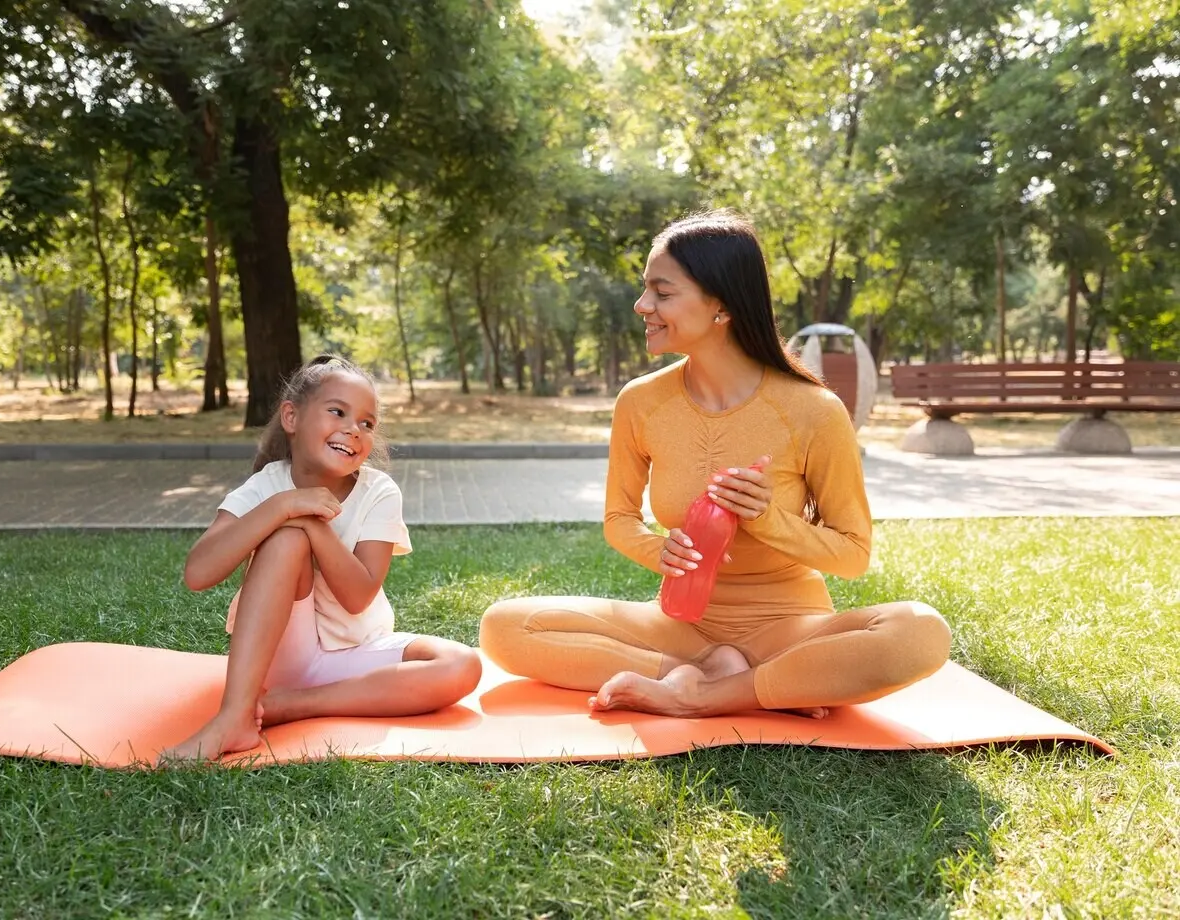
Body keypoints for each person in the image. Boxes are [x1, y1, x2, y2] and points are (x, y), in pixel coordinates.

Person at [479, 210, 950, 720]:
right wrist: (659, 550)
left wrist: (768, 520)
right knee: (504, 626)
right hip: (681, 627)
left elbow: (853, 555)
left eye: (662, 293)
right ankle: (732, 677)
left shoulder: (813, 410)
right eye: (645, 291)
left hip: (787, 626)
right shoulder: (640, 402)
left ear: (721, 305)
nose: (643, 306)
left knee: (919, 632)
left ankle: (703, 694)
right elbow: (618, 519)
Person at [161, 355, 481, 763]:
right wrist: (283, 508)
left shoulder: (379, 491)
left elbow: (358, 596)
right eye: (337, 412)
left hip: (354, 656)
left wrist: (314, 525)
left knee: (462, 664)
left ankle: (288, 707)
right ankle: (234, 717)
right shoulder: (269, 485)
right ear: (292, 417)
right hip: (280, 659)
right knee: (286, 539)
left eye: (367, 423)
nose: (353, 429)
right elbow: (198, 573)